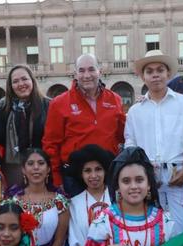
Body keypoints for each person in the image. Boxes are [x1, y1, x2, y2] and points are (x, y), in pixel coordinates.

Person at [81, 146, 177, 246]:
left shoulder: (164, 222)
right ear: (117, 186)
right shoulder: (104, 220)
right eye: (126, 181)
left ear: (148, 185)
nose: (133, 186)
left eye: (139, 180)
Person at [124, 49, 183, 233]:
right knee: (152, 231)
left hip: (178, 173)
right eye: (149, 71)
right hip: (147, 178)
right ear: (143, 77)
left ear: (168, 73)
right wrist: (144, 173)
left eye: (160, 70)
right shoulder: (135, 111)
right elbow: (130, 145)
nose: (155, 75)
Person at [42, 54, 126, 196]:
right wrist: (56, 180)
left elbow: (123, 136)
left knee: (108, 217)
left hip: (107, 173)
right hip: (74, 177)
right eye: (81, 71)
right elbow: (50, 144)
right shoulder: (59, 103)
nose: (87, 75)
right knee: (78, 218)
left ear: (100, 71)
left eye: (91, 69)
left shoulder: (115, 99)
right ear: (75, 74)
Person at [67, 144, 114, 246]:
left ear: (105, 171)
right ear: (81, 174)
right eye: (88, 170)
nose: (93, 175)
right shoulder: (74, 203)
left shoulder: (117, 198)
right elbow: (75, 244)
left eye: (98, 169)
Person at [1, 65, 50, 186]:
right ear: (10, 86)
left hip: (42, 169)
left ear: (32, 80)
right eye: (15, 81)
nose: (21, 84)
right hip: (14, 170)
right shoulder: (3, 107)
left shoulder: (48, 105)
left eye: (24, 79)